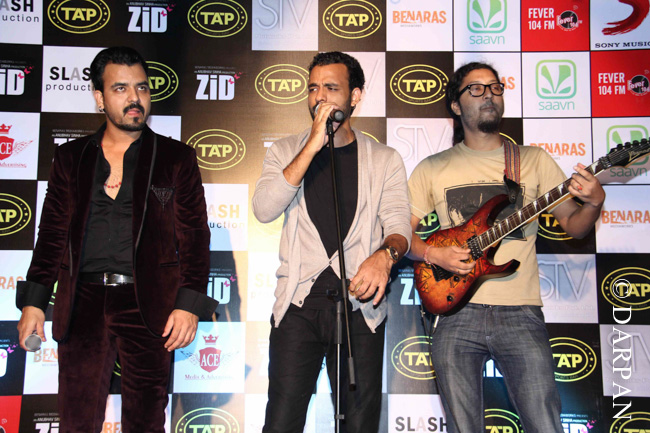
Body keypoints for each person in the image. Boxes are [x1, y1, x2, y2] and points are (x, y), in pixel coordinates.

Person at [16, 46, 218, 433]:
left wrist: (188, 305)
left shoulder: (175, 158)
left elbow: (194, 238)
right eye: (120, 88)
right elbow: (51, 235)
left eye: (141, 87)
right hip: (83, 304)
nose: (134, 98)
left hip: (148, 305)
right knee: (76, 421)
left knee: (146, 422)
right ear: (99, 97)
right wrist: (35, 302)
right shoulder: (70, 158)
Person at [407, 62, 605, 432]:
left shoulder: (533, 160)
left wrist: (593, 203)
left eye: (495, 87)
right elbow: (400, 235)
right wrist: (435, 254)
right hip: (455, 311)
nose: (489, 95)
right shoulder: (432, 167)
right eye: (476, 89)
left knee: (544, 423)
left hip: (520, 312)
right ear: (455, 105)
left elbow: (575, 226)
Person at [252, 51, 411, 433]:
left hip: (360, 307)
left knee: (359, 424)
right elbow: (263, 209)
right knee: (281, 423)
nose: (319, 97)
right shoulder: (285, 150)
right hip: (297, 307)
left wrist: (384, 256)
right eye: (313, 88)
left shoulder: (385, 159)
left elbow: (398, 226)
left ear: (355, 96)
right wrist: (311, 145)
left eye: (330, 88)